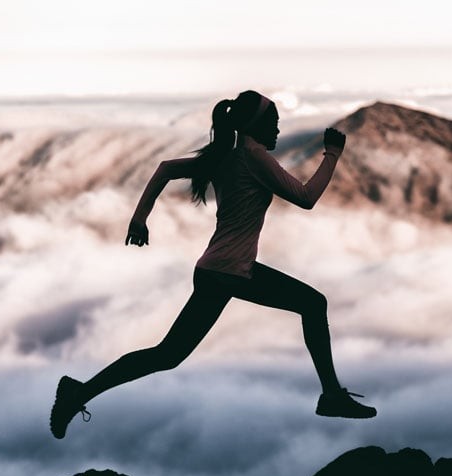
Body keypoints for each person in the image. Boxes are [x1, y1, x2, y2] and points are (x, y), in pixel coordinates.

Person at [49, 90, 376, 439]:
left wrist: (139, 219)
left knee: (166, 354)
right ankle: (331, 396)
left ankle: (78, 393)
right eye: (274, 124)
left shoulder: (225, 156)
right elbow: (306, 198)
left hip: (215, 271)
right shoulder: (254, 158)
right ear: (256, 126)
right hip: (232, 273)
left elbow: (164, 170)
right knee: (313, 304)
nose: (278, 131)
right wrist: (332, 154)